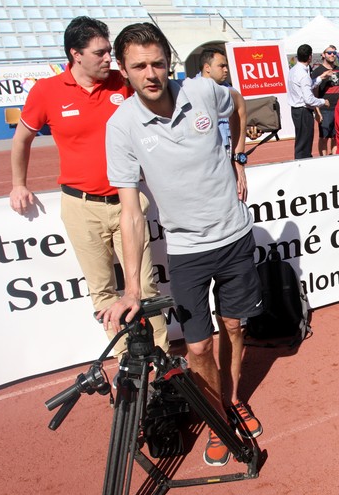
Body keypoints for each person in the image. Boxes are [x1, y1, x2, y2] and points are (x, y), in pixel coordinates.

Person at [100, 23, 263, 467]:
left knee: (234, 328)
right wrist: (132, 288)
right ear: (123, 69)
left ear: (168, 61)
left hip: (234, 235)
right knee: (197, 348)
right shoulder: (123, 126)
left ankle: (230, 401)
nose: (151, 74)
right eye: (139, 66)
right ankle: (217, 418)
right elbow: (131, 213)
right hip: (187, 251)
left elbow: (239, 104)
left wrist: (238, 155)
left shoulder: (204, 91)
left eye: (157, 63)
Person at [9, 16, 168, 355]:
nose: (107, 59)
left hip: (128, 202)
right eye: (99, 53)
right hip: (80, 207)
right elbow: (22, 139)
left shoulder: (121, 83)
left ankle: (162, 367)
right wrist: (18, 184)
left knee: (145, 287)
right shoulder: (46, 91)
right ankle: (129, 369)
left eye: (109, 51)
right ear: (75, 54)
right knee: (103, 294)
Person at [287, 44, 330, 159]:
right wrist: (323, 101)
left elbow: (308, 85)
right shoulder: (303, 74)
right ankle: (303, 162)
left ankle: (302, 160)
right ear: (310, 57)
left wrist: (320, 78)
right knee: (305, 142)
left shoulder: (294, 70)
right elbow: (309, 99)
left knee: (301, 140)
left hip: (297, 110)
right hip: (303, 111)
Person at [310, 44, 339, 156]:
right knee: (324, 136)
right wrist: (317, 110)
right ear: (323, 55)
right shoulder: (317, 71)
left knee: (336, 136)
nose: (332, 55)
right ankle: (324, 158)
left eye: (334, 53)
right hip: (324, 109)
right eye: (329, 53)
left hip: (337, 108)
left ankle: (334, 157)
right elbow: (314, 92)